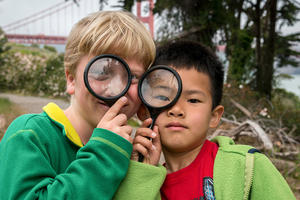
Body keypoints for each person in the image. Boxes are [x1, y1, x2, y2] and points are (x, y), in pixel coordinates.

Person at [0, 10, 165, 199]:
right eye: (102, 72)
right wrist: (105, 154)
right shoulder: (30, 135)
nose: (115, 89)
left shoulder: (127, 152)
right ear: (71, 79)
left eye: (133, 77)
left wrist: (139, 174)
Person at [133, 40, 296, 200]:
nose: (176, 110)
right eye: (163, 97)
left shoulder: (249, 168)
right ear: (145, 111)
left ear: (214, 116)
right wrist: (140, 174)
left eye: (193, 100)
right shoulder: (143, 182)